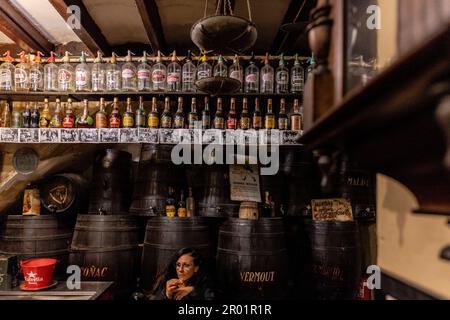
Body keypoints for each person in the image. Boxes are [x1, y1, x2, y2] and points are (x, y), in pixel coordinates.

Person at [148, 247, 215, 300]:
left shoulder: (204, 284)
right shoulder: (169, 279)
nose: (180, 270)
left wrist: (194, 291)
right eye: (178, 265)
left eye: (186, 265)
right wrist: (166, 295)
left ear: (196, 268)